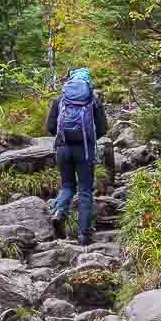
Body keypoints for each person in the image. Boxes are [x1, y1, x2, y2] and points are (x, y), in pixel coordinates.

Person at [45, 68, 109, 245]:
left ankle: (59, 212)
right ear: (88, 83)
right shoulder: (93, 101)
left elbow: (50, 127)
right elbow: (103, 128)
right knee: (85, 191)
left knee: (67, 186)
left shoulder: (60, 100)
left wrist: (64, 137)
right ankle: (83, 236)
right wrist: (88, 137)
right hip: (85, 150)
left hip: (63, 149)